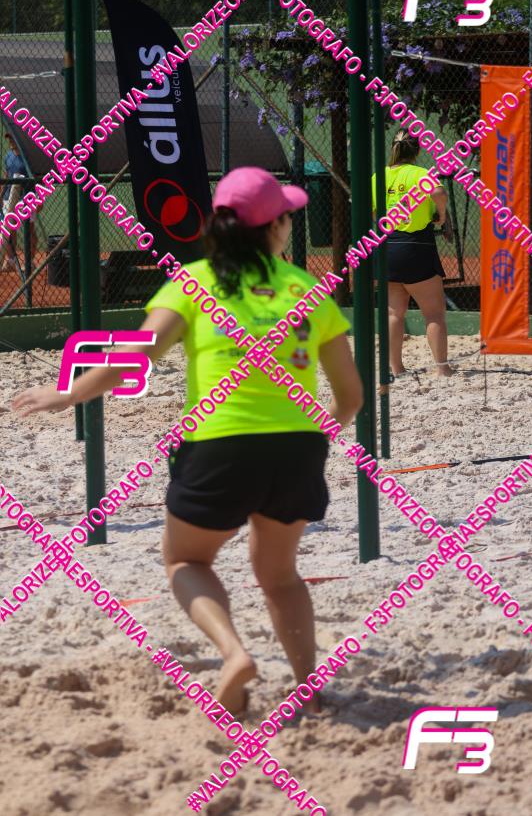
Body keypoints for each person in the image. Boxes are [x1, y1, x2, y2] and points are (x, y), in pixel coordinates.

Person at [13, 167, 363, 716]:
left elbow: (138, 354)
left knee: (184, 561)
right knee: (280, 577)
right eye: (287, 216)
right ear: (274, 226)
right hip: (297, 445)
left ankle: (234, 654)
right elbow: (350, 396)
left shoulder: (195, 281)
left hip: (220, 443)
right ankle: (308, 691)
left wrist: (70, 393)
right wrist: (316, 440)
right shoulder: (307, 290)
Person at [372, 130, 452, 378]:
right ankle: (442, 369)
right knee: (434, 313)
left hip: (388, 246)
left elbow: (374, 211)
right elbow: (439, 193)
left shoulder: (379, 176)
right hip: (417, 246)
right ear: (417, 150)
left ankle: (397, 368)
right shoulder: (420, 174)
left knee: (393, 313)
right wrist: (441, 214)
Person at [0, 133, 36, 272]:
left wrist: (39, 198)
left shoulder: (29, 156)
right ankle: (11, 261)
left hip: (26, 198)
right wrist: (1, 195)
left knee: (30, 231)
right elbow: (7, 176)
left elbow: (36, 177)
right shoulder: (8, 156)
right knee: (9, 231)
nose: (10, 141)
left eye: (12, 138)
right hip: (9, 198)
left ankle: (30, 262)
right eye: (9, 138)